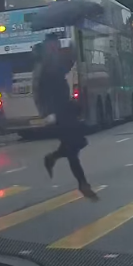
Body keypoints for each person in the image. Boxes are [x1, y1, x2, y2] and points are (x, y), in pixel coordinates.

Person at [38, 35, 98, 201]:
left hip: (65, 110)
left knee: (74, 145)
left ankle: (52, 158)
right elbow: (42, 93)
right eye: (53, 44)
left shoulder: (53, 63)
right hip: (59, 113)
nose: (55, 46)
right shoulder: (47, 67)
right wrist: (48, 113)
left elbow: (64, 71)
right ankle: (83, 184)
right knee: (73, 147)